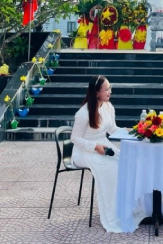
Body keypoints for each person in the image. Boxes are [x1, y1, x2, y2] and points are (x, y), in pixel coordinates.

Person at [71, 75, 127, 233]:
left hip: (104, 144)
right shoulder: (83, 114)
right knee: (112, 168)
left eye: (110, 88)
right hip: (84, 151)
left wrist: (131, 133)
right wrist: (95, 146)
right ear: (97, 92)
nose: (110, 92)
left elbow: (113, 129)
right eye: (107, 89)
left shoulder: (108, 107)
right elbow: (74, 138)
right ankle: (112, 213)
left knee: (124, 162)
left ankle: (123, 207)